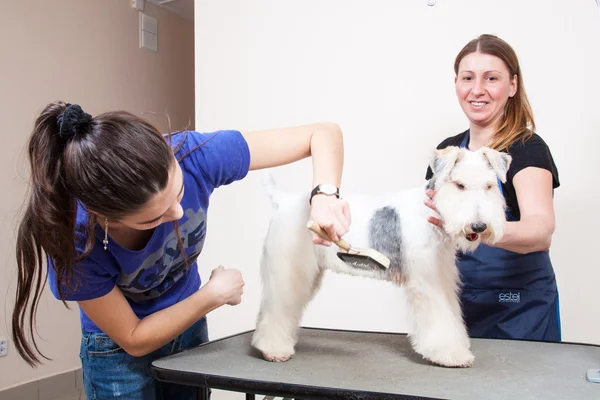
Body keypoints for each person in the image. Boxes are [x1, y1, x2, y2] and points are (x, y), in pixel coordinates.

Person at [12, 101, 352, 399]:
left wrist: (324, 195)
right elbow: (133, 337)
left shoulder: (193, 155)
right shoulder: (74, 243)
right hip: (115, 352)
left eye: (178, 192)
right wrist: (212, 295)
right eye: (155, 217)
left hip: (187, 328)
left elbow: (322, 134)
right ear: (104, 219)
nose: (177, 214)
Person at [424, 34, 561, 342]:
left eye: (491, 78)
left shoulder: (527, 149)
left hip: (517, 307)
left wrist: (478, 229)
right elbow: (430, 221)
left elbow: (540, 232)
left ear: (512, 85)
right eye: (468, 78)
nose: (477, 90)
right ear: (456, 83)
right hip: (455, 297)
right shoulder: (446, 152)